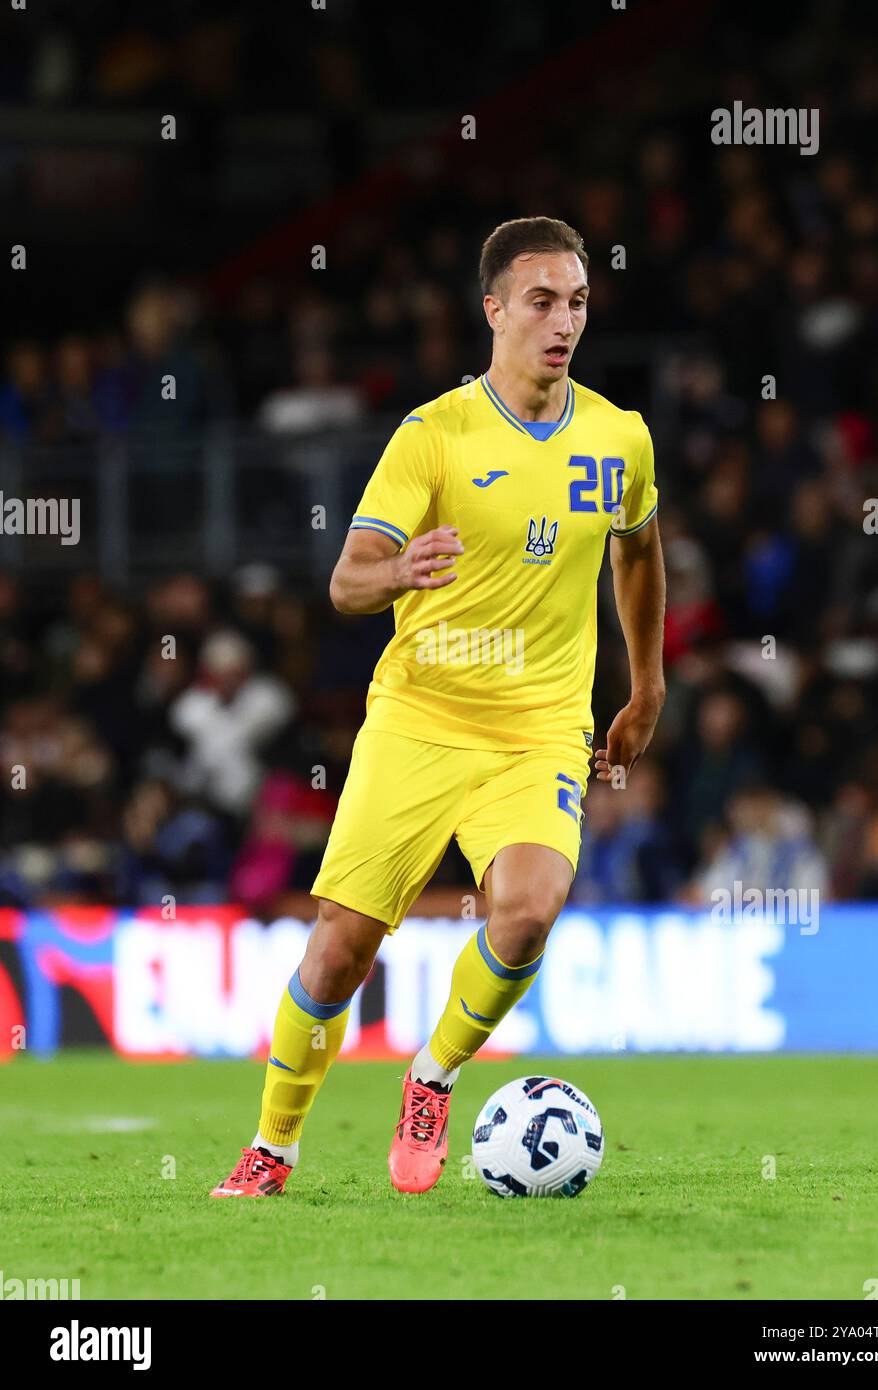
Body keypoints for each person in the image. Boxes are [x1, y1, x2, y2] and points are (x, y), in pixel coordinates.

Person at [211, 216, 666, 1199]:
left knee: (530, 912)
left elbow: (637, 550)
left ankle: (433, 1075)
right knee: (338, 954)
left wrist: (650, 678)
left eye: (578, 301)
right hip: (420, 720)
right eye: (542, 300)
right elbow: (345, 581)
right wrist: (397, 570)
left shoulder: (619, 437)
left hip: (542, 725)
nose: (564, 321)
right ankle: (273, 1146)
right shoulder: (434, 434)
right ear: (494, 307)